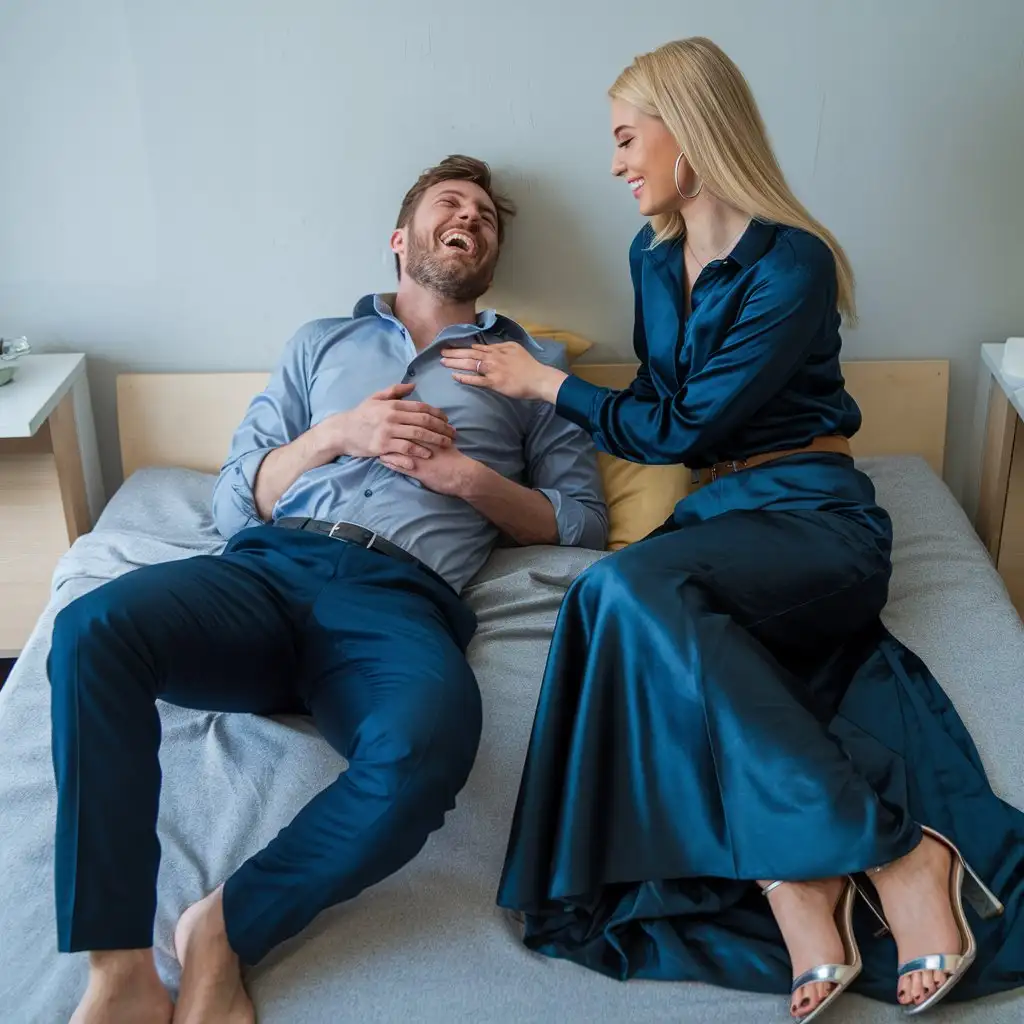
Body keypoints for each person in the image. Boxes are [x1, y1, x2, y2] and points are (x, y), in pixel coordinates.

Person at [441, 38, 1024, 1021]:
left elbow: (677, 425)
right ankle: (813, 870)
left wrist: (544, 383)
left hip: (812, 516)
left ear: (689, 126)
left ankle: (883, 848)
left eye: (628, 137)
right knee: (607, 596)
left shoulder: (789, 261)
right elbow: (664, 411)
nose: (618, 162)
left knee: (625, 590)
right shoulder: (651, 257)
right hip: (714, 517)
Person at [48, 154, 608, 1024]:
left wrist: (466, 479)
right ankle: (118, 968)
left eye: (486, 217)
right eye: (448, 204)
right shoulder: (320, 343)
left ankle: (224, 929)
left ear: (489, 254)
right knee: (90, 630)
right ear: (401, 239)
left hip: (398, 602)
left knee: (428, 747)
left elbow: (579, 522)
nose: (470, 218)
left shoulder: (529, 366)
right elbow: (237, 497)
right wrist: (336, 435)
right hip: (270, 569)